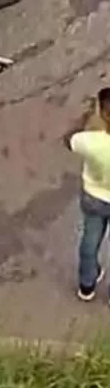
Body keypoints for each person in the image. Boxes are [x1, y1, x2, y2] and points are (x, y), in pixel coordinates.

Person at [64, 88, 110, 300]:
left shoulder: (90, 142)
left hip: (94, 198)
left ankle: (87, 284)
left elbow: (69, 140)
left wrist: (85, 115)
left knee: (90, 242)